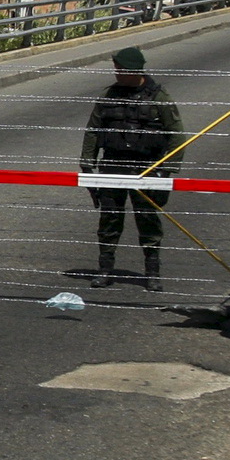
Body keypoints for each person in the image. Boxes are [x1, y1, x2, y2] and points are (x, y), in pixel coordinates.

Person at [80, 47, 184, 291]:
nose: (116, 74)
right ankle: (105, 269)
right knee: (109, 219)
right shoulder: (108, 97)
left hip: (146, 168)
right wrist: (87, 163)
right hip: (113, 165)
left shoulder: (159, 97)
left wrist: (165, 170)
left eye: (120, 69)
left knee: (147, 220)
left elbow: (176, 136)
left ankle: (152, 272)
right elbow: (93, 131)